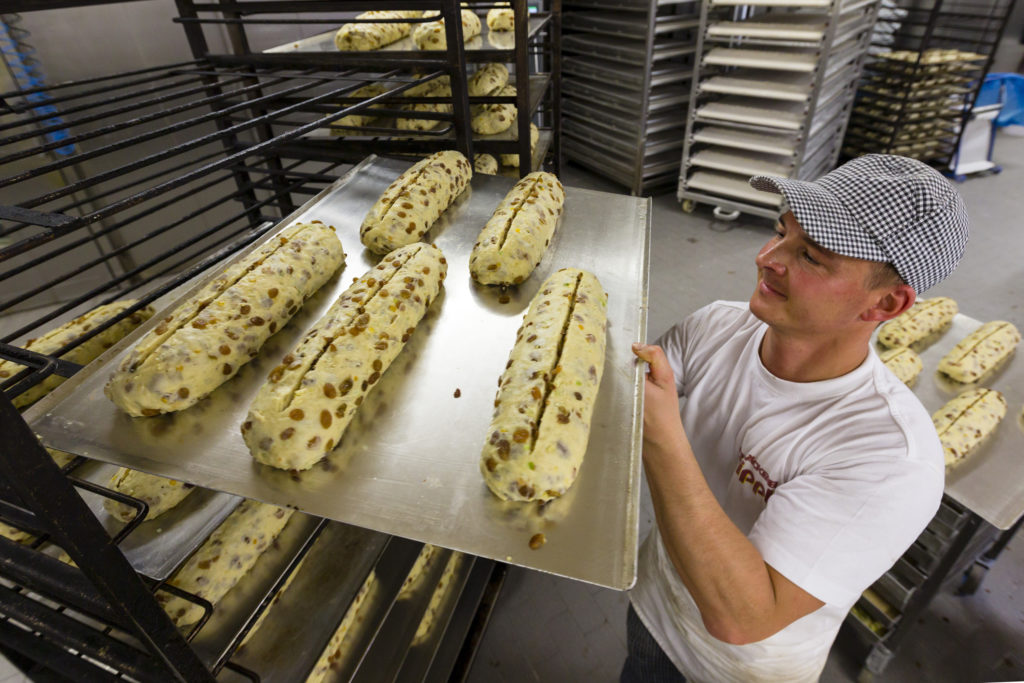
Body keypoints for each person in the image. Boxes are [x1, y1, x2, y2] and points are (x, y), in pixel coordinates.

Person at [623, 154, 969, 682]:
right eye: (781, 230)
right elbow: (618, 414)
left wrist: (662, 436)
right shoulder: (716, 326)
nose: (767, 258)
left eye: (809, 256)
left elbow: (742, 618)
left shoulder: (889, 459)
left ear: (886, 304)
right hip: (654, 604)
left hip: (729, 669)